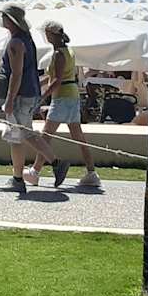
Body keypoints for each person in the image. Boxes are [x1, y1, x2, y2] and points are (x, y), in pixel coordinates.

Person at [38, 21, 101, 192]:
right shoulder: (68, 51)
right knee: (78, 136)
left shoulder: (58, 54)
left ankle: (35, 171)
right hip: (71, 95)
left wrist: (42, 96)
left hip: (62, 97)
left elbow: (57, 80)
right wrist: (39, 85)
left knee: (45, 136)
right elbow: (56, 76)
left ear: (51, 35)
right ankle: (91, 172)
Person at [0, 4, 48, 193]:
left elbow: (16, 74)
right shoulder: (27, 40)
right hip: (30, 92)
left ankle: (18, 179)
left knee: (16, 138)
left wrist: (9, 100)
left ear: (11, 20)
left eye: (3, 16)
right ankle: (54, 162)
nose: (1, 19)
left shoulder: (16, 43)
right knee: (24, 134)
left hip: (20, 95)